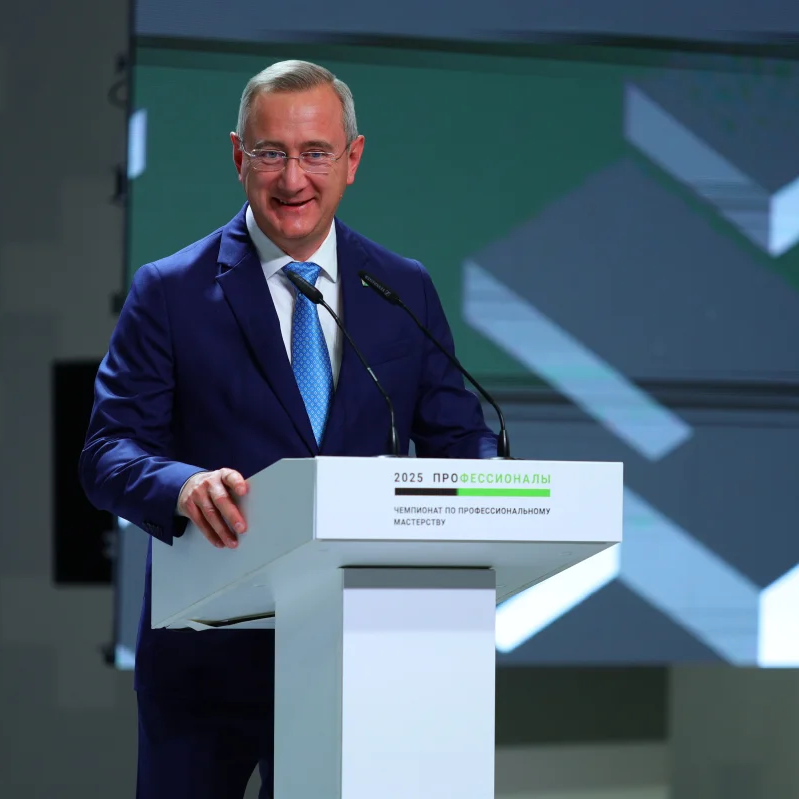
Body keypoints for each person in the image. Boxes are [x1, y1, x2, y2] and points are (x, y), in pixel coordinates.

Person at [79, 59, 496, 798]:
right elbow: (107, 452)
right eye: (271, 152)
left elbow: (458, 439)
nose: (293, 178)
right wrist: (182, 486)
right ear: (238, 157)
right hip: (206, 660)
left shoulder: (401, 287)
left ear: (352, 160)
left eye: (315, 153)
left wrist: (494, 490)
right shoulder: (169, 291)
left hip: (358, 653)